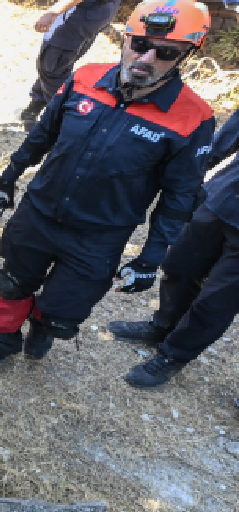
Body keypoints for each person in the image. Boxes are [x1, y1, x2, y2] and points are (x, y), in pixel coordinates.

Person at [0, 1, 215, 376]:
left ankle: (44, 326)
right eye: (140, 44)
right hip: (40, 213)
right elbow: (43, 134)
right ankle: (0, 340)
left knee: (63, 315)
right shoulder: (86, 77)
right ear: (126, 40)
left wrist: (148, 260)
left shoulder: (194, 117)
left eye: (166, 52)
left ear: (186, 55)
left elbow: (179, 197)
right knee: (12, 283)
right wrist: (9, 177)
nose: (148, 57)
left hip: (99, 235)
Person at [106, 111, 239, 388]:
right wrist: (187, 177)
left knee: (216, 300)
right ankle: (162, 326)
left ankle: (173, 355)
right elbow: (220, 143)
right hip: (222, 200)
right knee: (179, 266)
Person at [18, 0, 121, 131]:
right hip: (96, 12)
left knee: (52, 67)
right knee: (59, 65)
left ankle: (62, 122)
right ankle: (34, 108)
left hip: (80, 13)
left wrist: (54, 11)